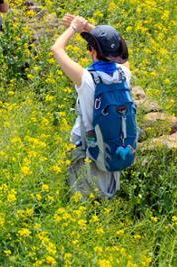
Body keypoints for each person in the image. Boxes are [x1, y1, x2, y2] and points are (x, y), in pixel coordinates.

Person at [51, 14, 132, 199]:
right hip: (114, 142)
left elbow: (56, 48)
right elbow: (122, 52)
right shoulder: (124, 73)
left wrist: (74, 27)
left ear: (93, 52)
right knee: (106, 192)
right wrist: (88, 26)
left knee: (82, 195)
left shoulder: (86, 78)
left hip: (86, 145)